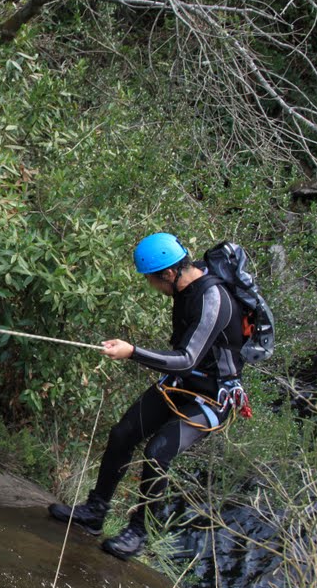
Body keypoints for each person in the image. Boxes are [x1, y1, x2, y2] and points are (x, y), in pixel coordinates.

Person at [49, 233, 245, 559]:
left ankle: (140, 534)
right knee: (123, 433)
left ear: (168, 274)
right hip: (181, 383)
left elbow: (187, 358)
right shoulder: (184, 284)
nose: (151, 286)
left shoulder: (213, 300)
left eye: (151, 280)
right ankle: (95, 512)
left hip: (212, 397)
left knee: (157, 454)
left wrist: (132, 351)